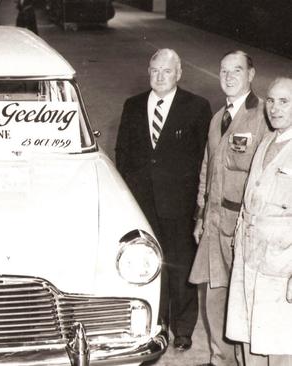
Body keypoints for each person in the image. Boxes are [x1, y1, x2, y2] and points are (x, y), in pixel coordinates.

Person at [115, 48, 211, 351]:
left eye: (166, 71)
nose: (159, 76)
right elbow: (123, 153)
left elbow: (203, 159)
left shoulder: (196, 106)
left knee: (181, 266)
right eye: (155, 70)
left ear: (179, 73)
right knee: (147, 265)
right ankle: (156, 322)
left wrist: (198, 204)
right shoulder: (132, 105)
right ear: (148, 71)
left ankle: (183, 328)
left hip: (180, 204)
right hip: (142, 203)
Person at [189, 50, 269, 366]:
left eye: (236, 70)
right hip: (213, 221)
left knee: (244, 298)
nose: (229, 76)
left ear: (251, 74)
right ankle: (218, 358)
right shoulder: (217, 118)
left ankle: (243, 360)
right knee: (214, 296)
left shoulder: (262, 116)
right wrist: (199, 214)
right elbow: (207, 168)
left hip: (242, 225)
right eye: (223, 70)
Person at [225, 76, 292, 366]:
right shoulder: (266, 141)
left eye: (285, 101)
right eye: (271, 100)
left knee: (280, 346)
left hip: (282, 268)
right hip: (251, 259)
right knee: (249, 339)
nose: (275, 108)